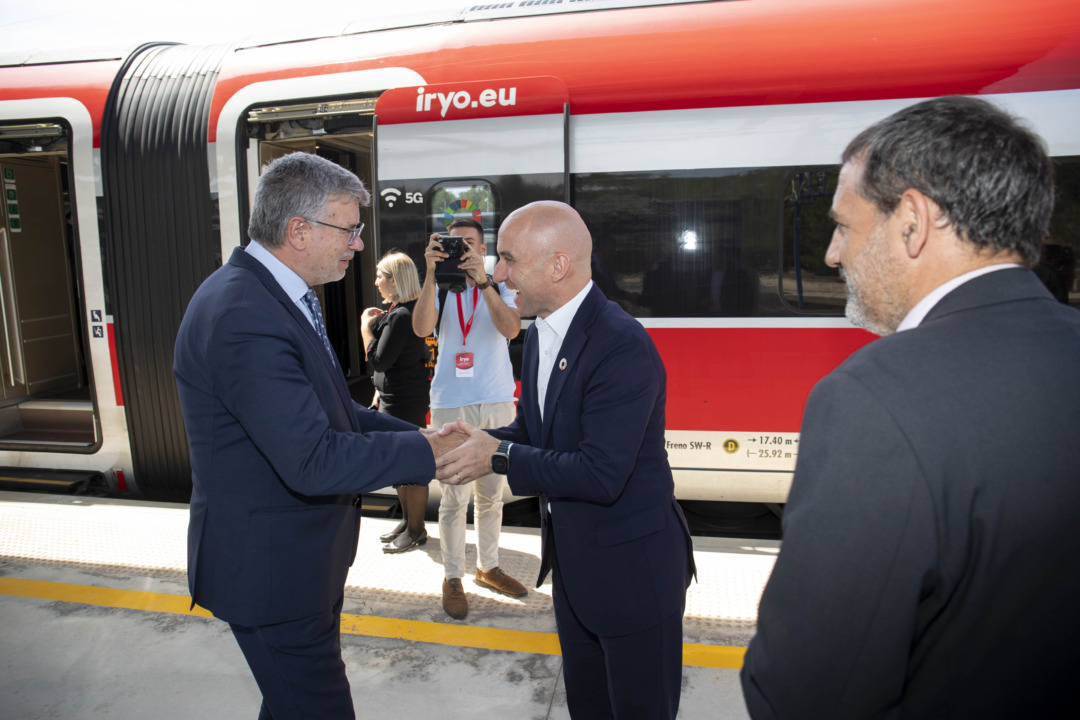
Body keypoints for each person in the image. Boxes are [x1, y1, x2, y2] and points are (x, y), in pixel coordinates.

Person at [740, 96, 1080, 718]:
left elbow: (808, 689)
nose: (831, 255)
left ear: (913, 222)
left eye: (844, 225)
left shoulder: (874, 397)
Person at [173, 152, 460, 720]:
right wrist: (431, 452)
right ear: (298, 230)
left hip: (297, 565)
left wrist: (426, 437)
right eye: (349, 230)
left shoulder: (273, 295)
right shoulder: (244, 313)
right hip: (273, 576)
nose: (357, 245)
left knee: (290, 705)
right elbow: (314, 458)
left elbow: (338, 416)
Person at [434, 201, 696, 720]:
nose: (498, 274)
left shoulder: (620, 345)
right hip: (577, 574)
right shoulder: (541, 333)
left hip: (631, 578)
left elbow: (600, 473)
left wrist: (499, 456)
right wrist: (475, 441)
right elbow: (535, 432)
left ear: (558, 266)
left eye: (508, 260)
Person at [412, 218, 527, 619]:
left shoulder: (501, 284)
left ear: (483, 248)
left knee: (492, 493)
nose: (462, 250)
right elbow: (421, 327)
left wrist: (483, 283)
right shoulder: (440, 284)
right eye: (454, 243)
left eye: (470, 244)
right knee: (453, 496)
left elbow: (511, 330)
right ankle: (452, 575)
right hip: (451, 400)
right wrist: (430, 273)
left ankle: (488, 567)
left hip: (495, 399)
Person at [361, 251, 433, 553]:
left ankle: (416, 530)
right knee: (400, 464)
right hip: (398, 397)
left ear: (395, 280)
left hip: (403, 401)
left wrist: (366, 327)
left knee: (409, 465)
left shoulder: (403, 315)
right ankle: (408, 522)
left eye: (380, 276)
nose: (376, 282)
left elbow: (379, 360)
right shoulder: (400, 310)